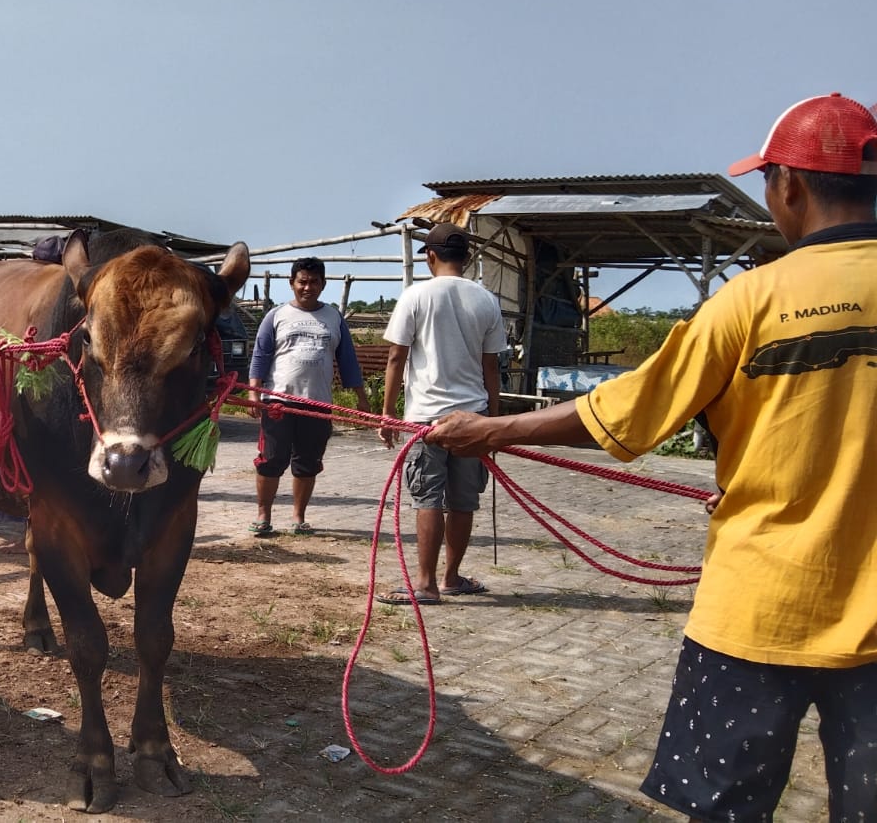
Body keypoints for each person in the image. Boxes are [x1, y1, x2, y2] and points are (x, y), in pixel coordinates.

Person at [427, 92, 877, 820]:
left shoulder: (751, 301)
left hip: (757, 612)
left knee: (722, 808)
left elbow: (626, 413)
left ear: (788, 185)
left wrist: (489, 431)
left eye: (768, 184)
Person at [375, 222, 505, 604]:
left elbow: (396, 357)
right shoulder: (486, 300)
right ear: (466, 258)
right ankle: (450, 578)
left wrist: (387, 414)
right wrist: (495, 424)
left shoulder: (415, 296)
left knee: (427, 498)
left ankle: (426, 585)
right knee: (463, 501)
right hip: (475, 419)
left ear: (430, 256)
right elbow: (491, 367)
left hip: (425, 420)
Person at [247, 258, 369, 535]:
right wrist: (254, 393)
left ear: (323, 284)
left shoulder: (334, 318)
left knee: (307, 462)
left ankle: (298, 517)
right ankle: (263, 515)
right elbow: (260, 356)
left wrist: (361, 398)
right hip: (277, 400)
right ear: (292, 283)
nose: (307, 287)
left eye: (314, 282)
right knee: (271, 459)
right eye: (302, 281)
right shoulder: (276, 316)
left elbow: (348, 361)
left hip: (317, 403)